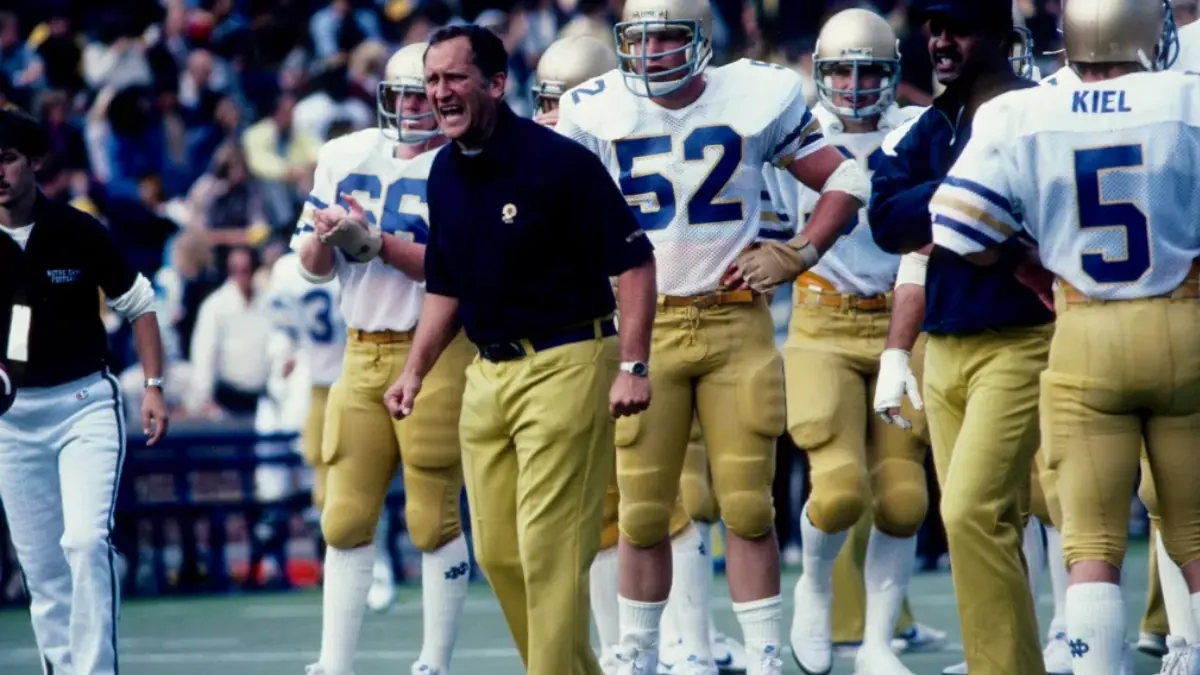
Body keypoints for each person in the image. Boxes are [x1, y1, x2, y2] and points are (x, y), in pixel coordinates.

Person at [553, 0, 870, 672]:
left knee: (749, 505)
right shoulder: (595, 107)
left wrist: (801, 250)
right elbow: (558, 216)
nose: (655, 51)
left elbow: (846, 175)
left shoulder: (755, 93)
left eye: (670, 35)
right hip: (646, 323)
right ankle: (638, 654)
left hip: (735, 322)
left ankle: (763, 657)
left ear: (702, 39)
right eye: (642, 38)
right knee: (641, 512)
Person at [928, 1, 1200, 673]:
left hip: (1081, 326)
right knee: (1195, 531)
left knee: (1091, 542)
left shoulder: (1025, 110)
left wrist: (1026, 260)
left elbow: (957, 227)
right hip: (1183, 321)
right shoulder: (1187, 99)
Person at [384, 24, 657, 675]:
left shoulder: (558, 162)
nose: (439, 94)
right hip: (487, 373)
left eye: (454, 78)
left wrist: (634, 364)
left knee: (548, 549)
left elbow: (635, 261)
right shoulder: (444, 173)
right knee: (500, 554)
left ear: (497, 83)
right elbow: (445, 282)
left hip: (568, 359)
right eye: (431, 81)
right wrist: (414, 369)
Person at [531, 34, 737, 675]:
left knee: (672, 497)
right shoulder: (540, 162)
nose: (554, 119)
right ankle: (628, 647)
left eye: (565, 104)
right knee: (605, 508)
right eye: (545, 104)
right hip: (584, 340)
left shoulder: (639, 143)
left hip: (662, 332)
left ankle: (691, 643)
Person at [866, 1, 1057, 674]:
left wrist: (944, 203)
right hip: (944, 342)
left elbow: (1029, 205)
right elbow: (885, 219)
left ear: (1003, 37)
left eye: (959, 27)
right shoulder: (932, 122)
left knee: (978, 510)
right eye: (933, 25)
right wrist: (970, 197)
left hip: (1025, 335)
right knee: (982, 520)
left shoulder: (1042, 110)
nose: (940, 40)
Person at [756, 9, 939, 675]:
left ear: (893, 74)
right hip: (822, 318)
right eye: (840, 69)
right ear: (818, 71)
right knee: (835, 490)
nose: (856, 85)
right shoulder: (792, 132)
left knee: (903, 497)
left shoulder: (919, 130)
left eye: (870, 71)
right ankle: (813, 587)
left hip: (903, 314)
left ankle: (878, 642)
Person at [292, 42, 476, 675]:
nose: (410, 107)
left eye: (420, 95)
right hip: (360, 349)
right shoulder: (347, 154)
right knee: (343, 516)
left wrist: (375, 242)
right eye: (399, 95)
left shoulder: (467, 163)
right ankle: (334, 662)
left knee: (431, 516)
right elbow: (312, 268)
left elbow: (458, 271)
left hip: (438, 347)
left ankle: (434, 661)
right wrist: (328, 237)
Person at [0, 106, 168, 675]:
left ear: (36, 162)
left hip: (84, 407)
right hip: (11, 423)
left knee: (85, 542)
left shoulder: (78, 230)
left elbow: (140, 304)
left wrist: (153, 387)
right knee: (42, 570)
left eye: (7, 159)